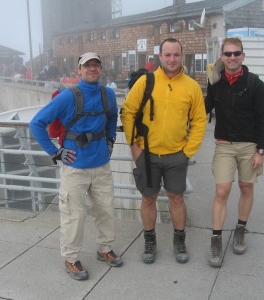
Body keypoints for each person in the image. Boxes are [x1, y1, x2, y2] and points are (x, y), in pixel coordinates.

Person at [29, 52, 122, 281]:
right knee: (73, 215)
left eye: (96, 65)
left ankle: (105, 249)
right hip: (75, 168)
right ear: (78, 70)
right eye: (87, 65)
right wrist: (56, 152)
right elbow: (36, 124)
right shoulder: (67, 97)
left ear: (101, 69)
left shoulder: (107, 94)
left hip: (101, 166)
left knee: (105, 210)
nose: (92, 68)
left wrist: (110, 139)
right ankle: (71, 258)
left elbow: (112, 117)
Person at [121, 38, 207, 264]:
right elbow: (128, 112)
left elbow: (199, 121)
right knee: (148, 198)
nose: (172, 59)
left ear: (182, 56)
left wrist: (188, 152)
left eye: (176, 55)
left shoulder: (191, 87)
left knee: (176, 198)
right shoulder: (146, 82)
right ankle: (150, 241)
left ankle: (179, 240)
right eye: (167, 55)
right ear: (159, 56)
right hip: (146, 155)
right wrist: (134, 146)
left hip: (176, 155)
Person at [204, 37, 264, 267]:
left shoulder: (255, 84)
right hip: (224, 143)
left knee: (246, 186)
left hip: (249, 145)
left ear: (243, 56)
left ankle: (241, 228)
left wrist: (261, 150)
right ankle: (216, 238)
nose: (232, 57)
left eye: (236, 53)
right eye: (228, 54)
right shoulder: (216, 82)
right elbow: (204, 108)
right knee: (222, 191)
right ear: (222, 56)